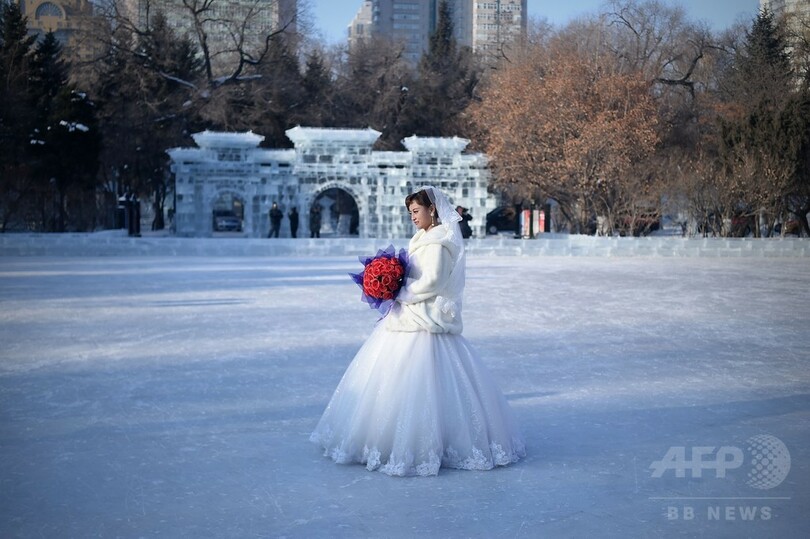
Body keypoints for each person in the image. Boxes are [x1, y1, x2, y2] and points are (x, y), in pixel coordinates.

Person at [310, 186, 525, 476]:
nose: (412, 217)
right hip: (410, 314)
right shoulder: (423, 238)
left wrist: (401, 292)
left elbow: (433, 282)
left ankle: (430, 443)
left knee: (426, 382)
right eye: (410, 212)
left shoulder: (437, 242)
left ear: (431, 210)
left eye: (416, 211)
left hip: (424, 315)